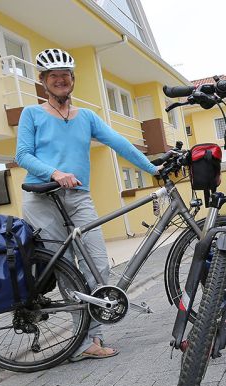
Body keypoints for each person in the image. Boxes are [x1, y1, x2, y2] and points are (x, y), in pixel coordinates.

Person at [15, 48, 160, 362]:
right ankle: (85, 342)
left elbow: (119, 142)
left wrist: (153, 169)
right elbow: (23, 155)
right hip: (42, 197)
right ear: (43, 81)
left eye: (65, 76)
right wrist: (55, 173)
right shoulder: (32, 114)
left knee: (97, 264)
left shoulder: (87, 117)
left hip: (78, 196)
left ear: (72, 79)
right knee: (67, 268)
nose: (60, 80)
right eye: (53, 76)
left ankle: (91, 335)